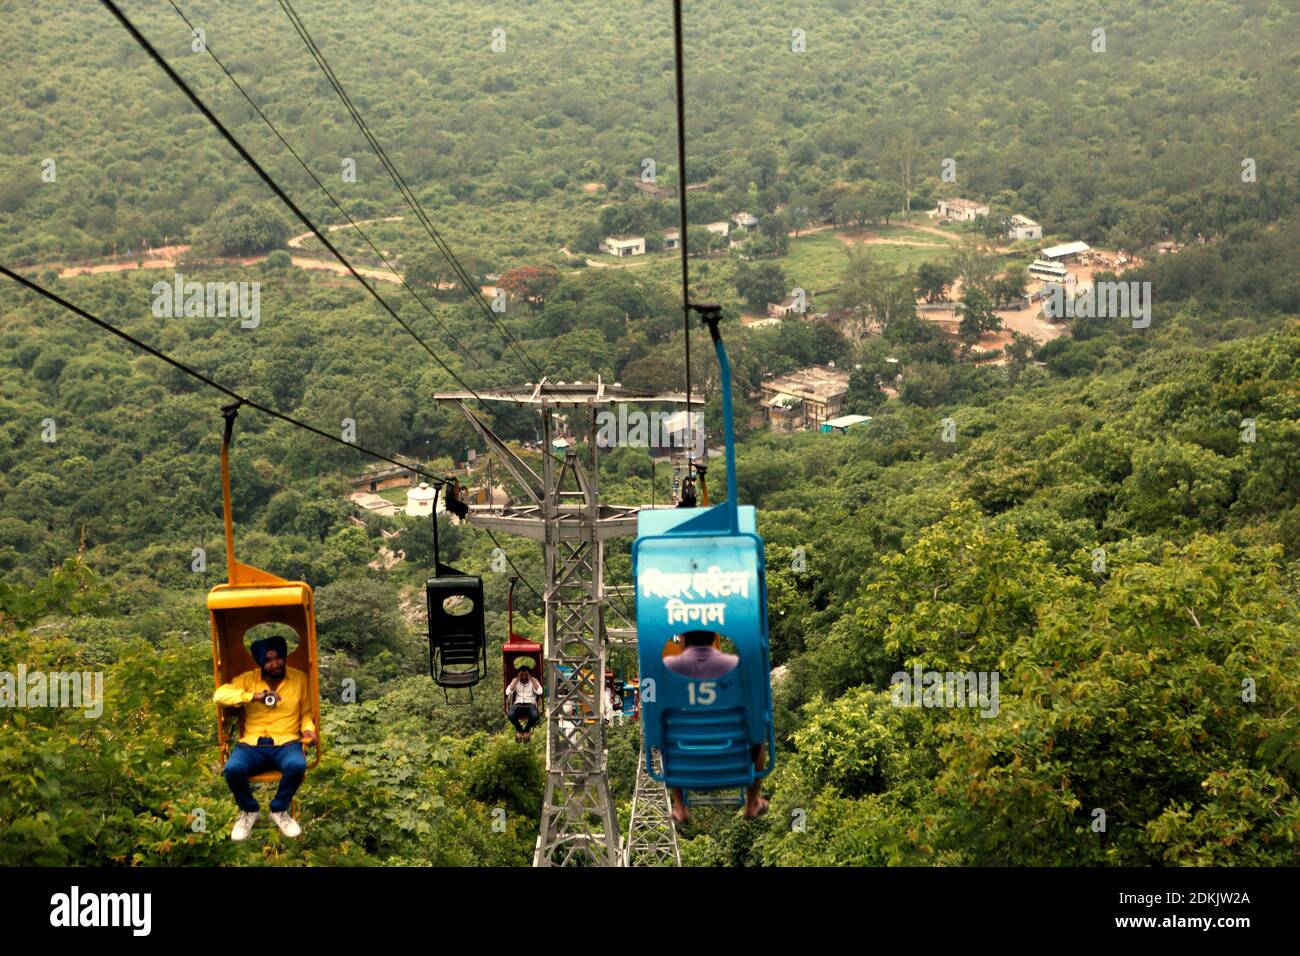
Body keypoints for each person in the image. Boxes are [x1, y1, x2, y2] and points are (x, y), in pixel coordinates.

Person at [213, 635, 316, 841]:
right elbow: (219, 695)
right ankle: (249, 811)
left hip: (286, 741)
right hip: (252, 743)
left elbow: (305, 713)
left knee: (297, 765)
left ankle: (279, 810)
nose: (275, 664)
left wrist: (308, 730)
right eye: (268, 660)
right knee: (232, 769)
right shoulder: (248, 679)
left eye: (278, 658)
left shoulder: (300, 679)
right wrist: (254, 696)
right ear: (261, 662)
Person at [664, 630, 768, 825]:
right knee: (758, 739)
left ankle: (679, 805)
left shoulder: (668, 668)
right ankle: (752, 800)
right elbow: (755, 715)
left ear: (683, 639)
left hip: (685, 759)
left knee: (667, 736)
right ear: (714, 638)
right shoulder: (736, 667)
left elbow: (657, 718)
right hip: (732, 757)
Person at [506, 666, 543, 742]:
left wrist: (531, 678)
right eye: (522, 675)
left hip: (530, 704)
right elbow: (508, 692)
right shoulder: (515, 681)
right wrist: (517, 679)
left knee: (536, 716)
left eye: (525, 675)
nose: (524, 677)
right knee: (510, 715)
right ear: (519, 675)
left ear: (529, 675)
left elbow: (540, 692)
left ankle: (527, 729)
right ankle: (519, 729)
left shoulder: (533, 681)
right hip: (518, 704)